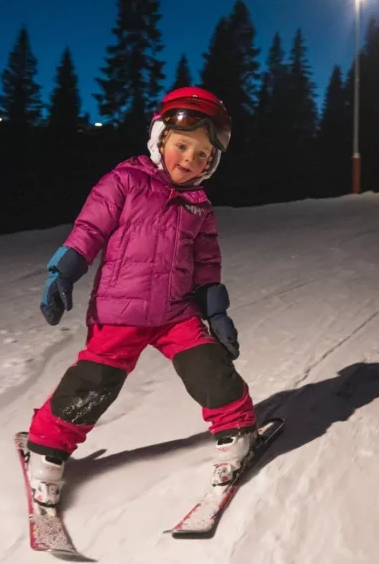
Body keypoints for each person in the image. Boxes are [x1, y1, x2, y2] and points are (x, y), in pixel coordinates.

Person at [24, 87, 257, 507]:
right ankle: (46, 446)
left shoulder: (199, 207)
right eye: (183, 146)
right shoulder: (124, 181)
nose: (190, 159)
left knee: (210, 367)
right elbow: (88, 230)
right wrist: (64, 271)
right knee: (94, 384)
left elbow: (206, 267)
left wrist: (216, 313)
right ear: (160, 139)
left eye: (203, 154)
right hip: (120, 311)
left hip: (176, 314)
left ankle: (238, 430)